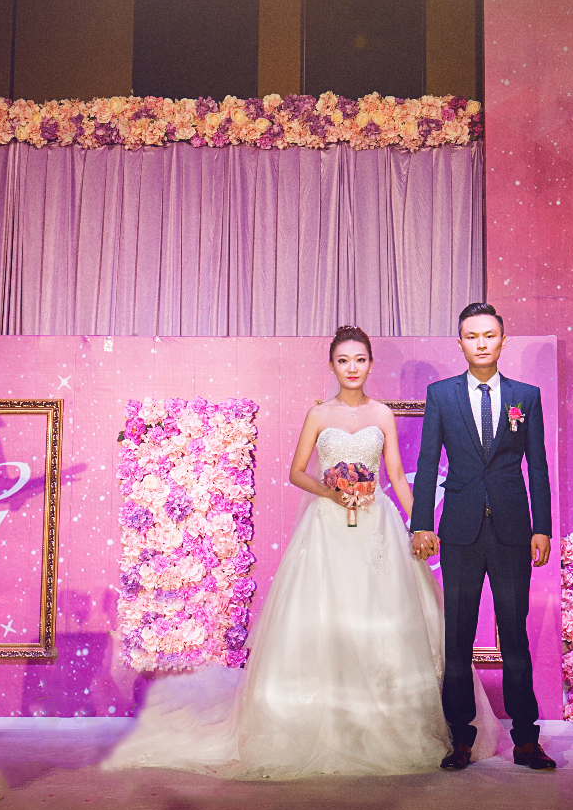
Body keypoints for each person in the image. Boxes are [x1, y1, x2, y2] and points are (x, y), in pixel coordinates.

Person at [103, 325, 499, 779]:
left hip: (376, 524)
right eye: (344, 360)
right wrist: (331, 491)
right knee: (326, 617)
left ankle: (384, 719)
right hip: (328, 525)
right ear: (332, 365)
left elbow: (395, 474)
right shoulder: (319, 414)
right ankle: (321, 719)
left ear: (370, 364)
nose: (352, 368)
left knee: (382, 617)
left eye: (360, 360)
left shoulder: (382, 413)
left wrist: (421, 522)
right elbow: (296, 472)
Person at [411, 302, 556, 771]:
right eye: (472, 336)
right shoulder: (441, 395)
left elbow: (537, 466)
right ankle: (460, 738)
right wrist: (421, 524)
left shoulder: (525, 396)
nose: (481, 343)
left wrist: (541, 527)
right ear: (460, 343)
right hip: (459, 530)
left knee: (514, 635)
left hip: (513, 530)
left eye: (489, 335)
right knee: (458, 637)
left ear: (502, 341)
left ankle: (527, 739)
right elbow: (428, 463)